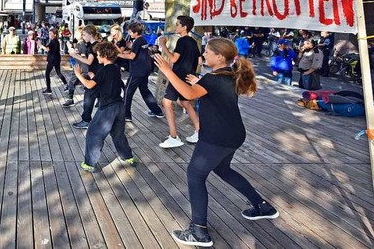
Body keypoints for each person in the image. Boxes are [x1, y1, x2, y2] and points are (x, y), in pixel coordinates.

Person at [154, 38, 279, 247]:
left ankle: (199, 231)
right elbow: (209, 89)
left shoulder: (212, 79)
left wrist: (168, 71)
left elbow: (187, 94)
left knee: (195, 175)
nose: (204, 55)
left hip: (217, 137)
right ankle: (262, 206)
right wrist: (199, 82)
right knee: (223, 170)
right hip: (233, 135)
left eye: (207, 52)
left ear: (219, 57)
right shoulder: (227, 74)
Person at [74, 42, 135, 172]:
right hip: (119, 107)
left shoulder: (104, 69)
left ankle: (89, 164)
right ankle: (128, 157)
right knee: (118, 134)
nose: (96, 57)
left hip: (108, 108)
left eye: (98, 54)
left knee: (94, 133)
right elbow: (104, 81)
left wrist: (78, 74)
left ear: (104, 55)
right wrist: (93, 77)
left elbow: (90, 85)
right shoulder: (115, 68)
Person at [156, 16, 201, 148]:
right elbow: (199, 61)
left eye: (177, 25)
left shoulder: (182, 41)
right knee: (186, 103)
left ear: (184, 27)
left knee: (166, 102)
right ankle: (199, 131)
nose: (175, 27)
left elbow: (173, 59)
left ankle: (174, 136)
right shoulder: (194, 42)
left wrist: (163, 45)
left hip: (179, 76)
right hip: (189, 76)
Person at [118, 21, 165, 121]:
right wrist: (130, 47)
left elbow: (132, 56)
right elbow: (138, 52)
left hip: (137, 71)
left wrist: (117, 54)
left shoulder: (138, 41)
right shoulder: (142, 40)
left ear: (135, 33)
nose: (129, 34)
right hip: (145, 69)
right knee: (144, 90)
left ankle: (126, 115)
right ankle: (157, 111)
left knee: (128, 91)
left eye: (130, 32)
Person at [67, 25, 101, 128]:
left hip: (95, 74)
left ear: (91, 35)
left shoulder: (93, 46)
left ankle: (86, 120)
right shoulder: (95, 45)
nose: (83, 36)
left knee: (88, 98)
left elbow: (89, 61)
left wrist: (74, 56)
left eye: (85, 35)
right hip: (96, 73)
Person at [39, 28, 68, 94]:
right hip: (56, 59)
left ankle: (49, 89)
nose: (49, 35)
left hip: (53, 59)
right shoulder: (54, 41)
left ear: (55, 35)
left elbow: (47, 49)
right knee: (58, 73)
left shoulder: (54, 41)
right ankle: (66, 85)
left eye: (51, 34)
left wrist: (40, 45)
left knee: (47, 74)